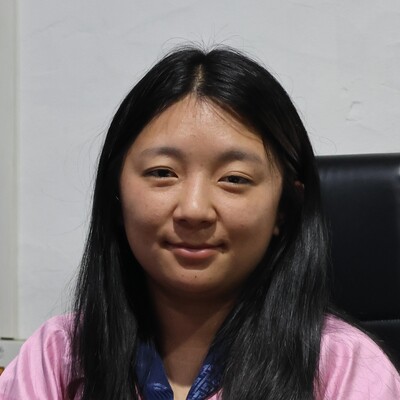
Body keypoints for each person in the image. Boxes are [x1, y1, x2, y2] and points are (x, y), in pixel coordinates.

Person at [1, 45, 399, 400]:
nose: (193, 210)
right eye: (163, 173)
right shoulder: (57, 359)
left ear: (284, 208)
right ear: (116, 196)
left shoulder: (345, 369)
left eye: (234, 179)